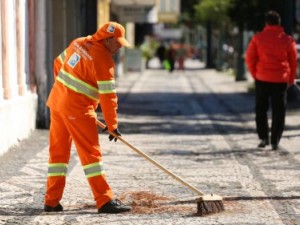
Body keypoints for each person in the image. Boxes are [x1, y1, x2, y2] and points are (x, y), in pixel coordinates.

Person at [44, 21, 132, 213]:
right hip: (78, 110)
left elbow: (57, 62)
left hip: (57, 103)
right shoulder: (103, 59)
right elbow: (109, 97)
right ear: (106, 39)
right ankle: (104, 200)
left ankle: (51, 201)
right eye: (116, 42)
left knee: (58, 156)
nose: (118, 47)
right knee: (91, 155)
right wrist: (112, 125)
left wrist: (64, 91)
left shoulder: (78, 42)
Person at [245, 11, 298, 150]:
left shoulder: (258, 38)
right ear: (279, 23)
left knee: (261, 109)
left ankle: (263, 137)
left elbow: (249, 58)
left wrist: (255, 74)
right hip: (280, 80)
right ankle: (275, 140)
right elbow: (293, 61)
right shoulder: (287, 39)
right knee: (279, 110)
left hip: (262, 78)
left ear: (266, 23)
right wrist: (291, 78)